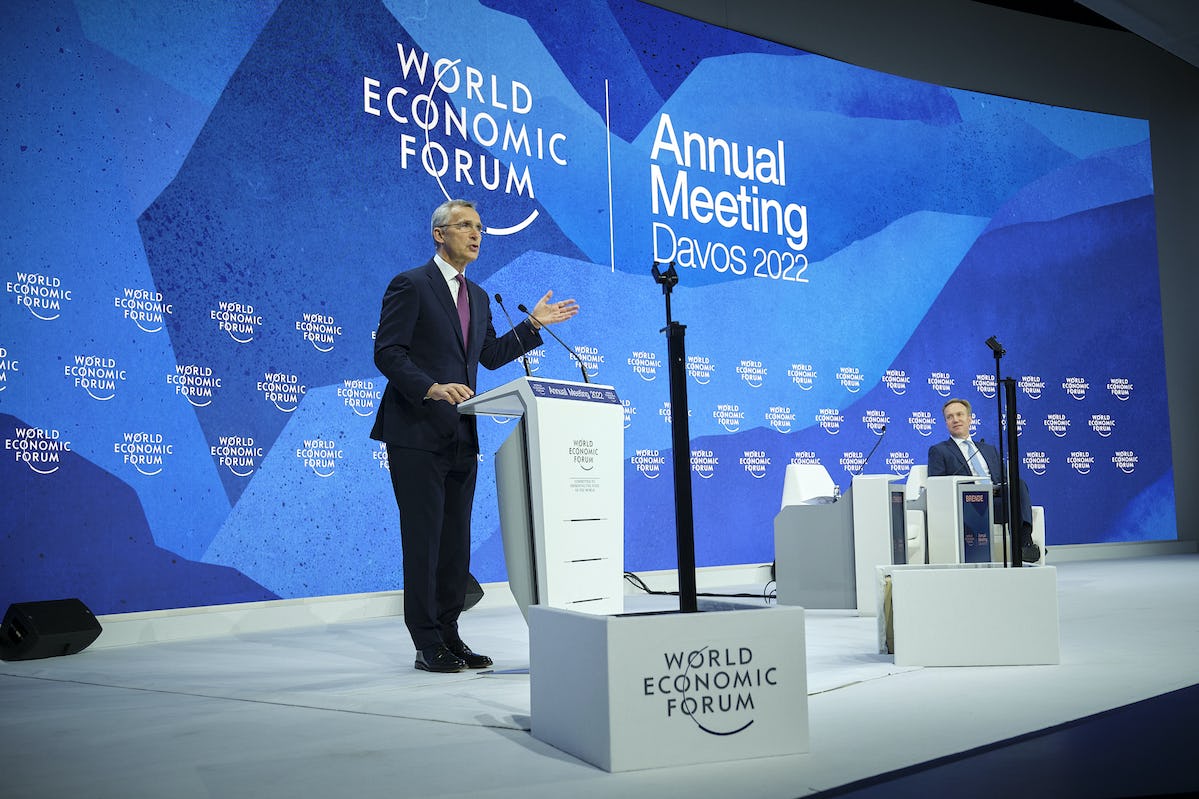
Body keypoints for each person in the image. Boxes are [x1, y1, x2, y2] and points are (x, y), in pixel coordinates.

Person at [371, 198, 579, 673]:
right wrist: (431, 387)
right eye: (465, 226)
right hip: (416, 430)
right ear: (439, 235)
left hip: (462, 433)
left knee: (454, 544)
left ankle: (449, 633)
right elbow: (388, 353)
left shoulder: (479, 297)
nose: (476, 234)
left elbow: (488, 355)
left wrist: (532, 326)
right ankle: (426, 642)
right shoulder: (411, 284)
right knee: (424, 540)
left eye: (480, 227)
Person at [927, 397, 1041, 564]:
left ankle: (1024, 544)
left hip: (996, 504)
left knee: (1018, 484)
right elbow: (937, 488)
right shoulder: (939, 451)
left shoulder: (988, 449)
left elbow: (1004, 480)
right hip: (969, 506)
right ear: (946, 422)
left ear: (970, 419)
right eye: (950, 417)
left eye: (960, 414)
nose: (955, 419)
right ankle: (1024, 546)